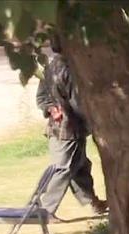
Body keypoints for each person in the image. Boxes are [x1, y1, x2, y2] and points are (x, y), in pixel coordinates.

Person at [35, 38, 107, 215]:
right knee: (63, 168)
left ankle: (92, 202)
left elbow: (42, 98)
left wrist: (50, 109)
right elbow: (79, 104)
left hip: (63, 127)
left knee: (79, 166)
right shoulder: (69, 70)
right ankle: (44, 208)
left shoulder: (50, 68)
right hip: (68, 129)